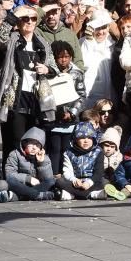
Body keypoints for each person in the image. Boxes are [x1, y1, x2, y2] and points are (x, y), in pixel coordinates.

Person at [0, 5, 57, 162]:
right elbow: (0, 35)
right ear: (18, 22)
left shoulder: (42, 43)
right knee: (14, 143)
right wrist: (14, 14)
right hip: (14, 98)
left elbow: (54, 67)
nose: (29, 22)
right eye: (25, 18)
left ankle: (31, 176)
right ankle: (11, 178)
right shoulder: (12, 38)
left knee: (34, 142)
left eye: (33, 18)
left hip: (36, 99)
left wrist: (46, 69)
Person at [46, 41, 86, 176]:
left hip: (70, 119)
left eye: (67, 56)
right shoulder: (49, 73)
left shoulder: (76, 73)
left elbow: (82, 95)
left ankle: (66, 175)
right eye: (60, 57)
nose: (63, 60)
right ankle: (54, 175)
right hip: (53, 118)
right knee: (55, 147)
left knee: (66, 147)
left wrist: (72, 112)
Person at [4, 127, 56, 201]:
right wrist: (28, 179)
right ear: (25, 143)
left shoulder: (45, 157)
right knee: (10, 181)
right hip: (21, 185)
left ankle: (23, 196)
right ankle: (37, 195)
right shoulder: (14, 154)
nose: (34, 148)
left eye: (37, 145)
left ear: (41, 148)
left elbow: (48, 179)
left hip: (38, 186)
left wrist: (41, 163)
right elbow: (9, 174)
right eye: (31, 143)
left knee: (51, 181)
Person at [57, 121, 106, 201]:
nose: (86, 141)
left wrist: (89, 182)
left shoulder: (98, 151)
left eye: (89, 137)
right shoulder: (68, 153)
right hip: (76, 181)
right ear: (75, 139)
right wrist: (74, 180)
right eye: (82, 137)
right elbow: (67, 171)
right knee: (59, 181)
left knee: (105, 182)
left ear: (93, 138)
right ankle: (92, 195)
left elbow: (99, 172)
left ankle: (72, 195)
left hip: (92, 181)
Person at [80, 10, 116, 109]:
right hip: (90, 97)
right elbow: (85, 64)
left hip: (110, 96)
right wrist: (89, 42)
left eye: (103, 27)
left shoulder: (113, 45)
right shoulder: (82, 43)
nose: (100, 32)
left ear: (108, 27)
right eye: (97, 28)